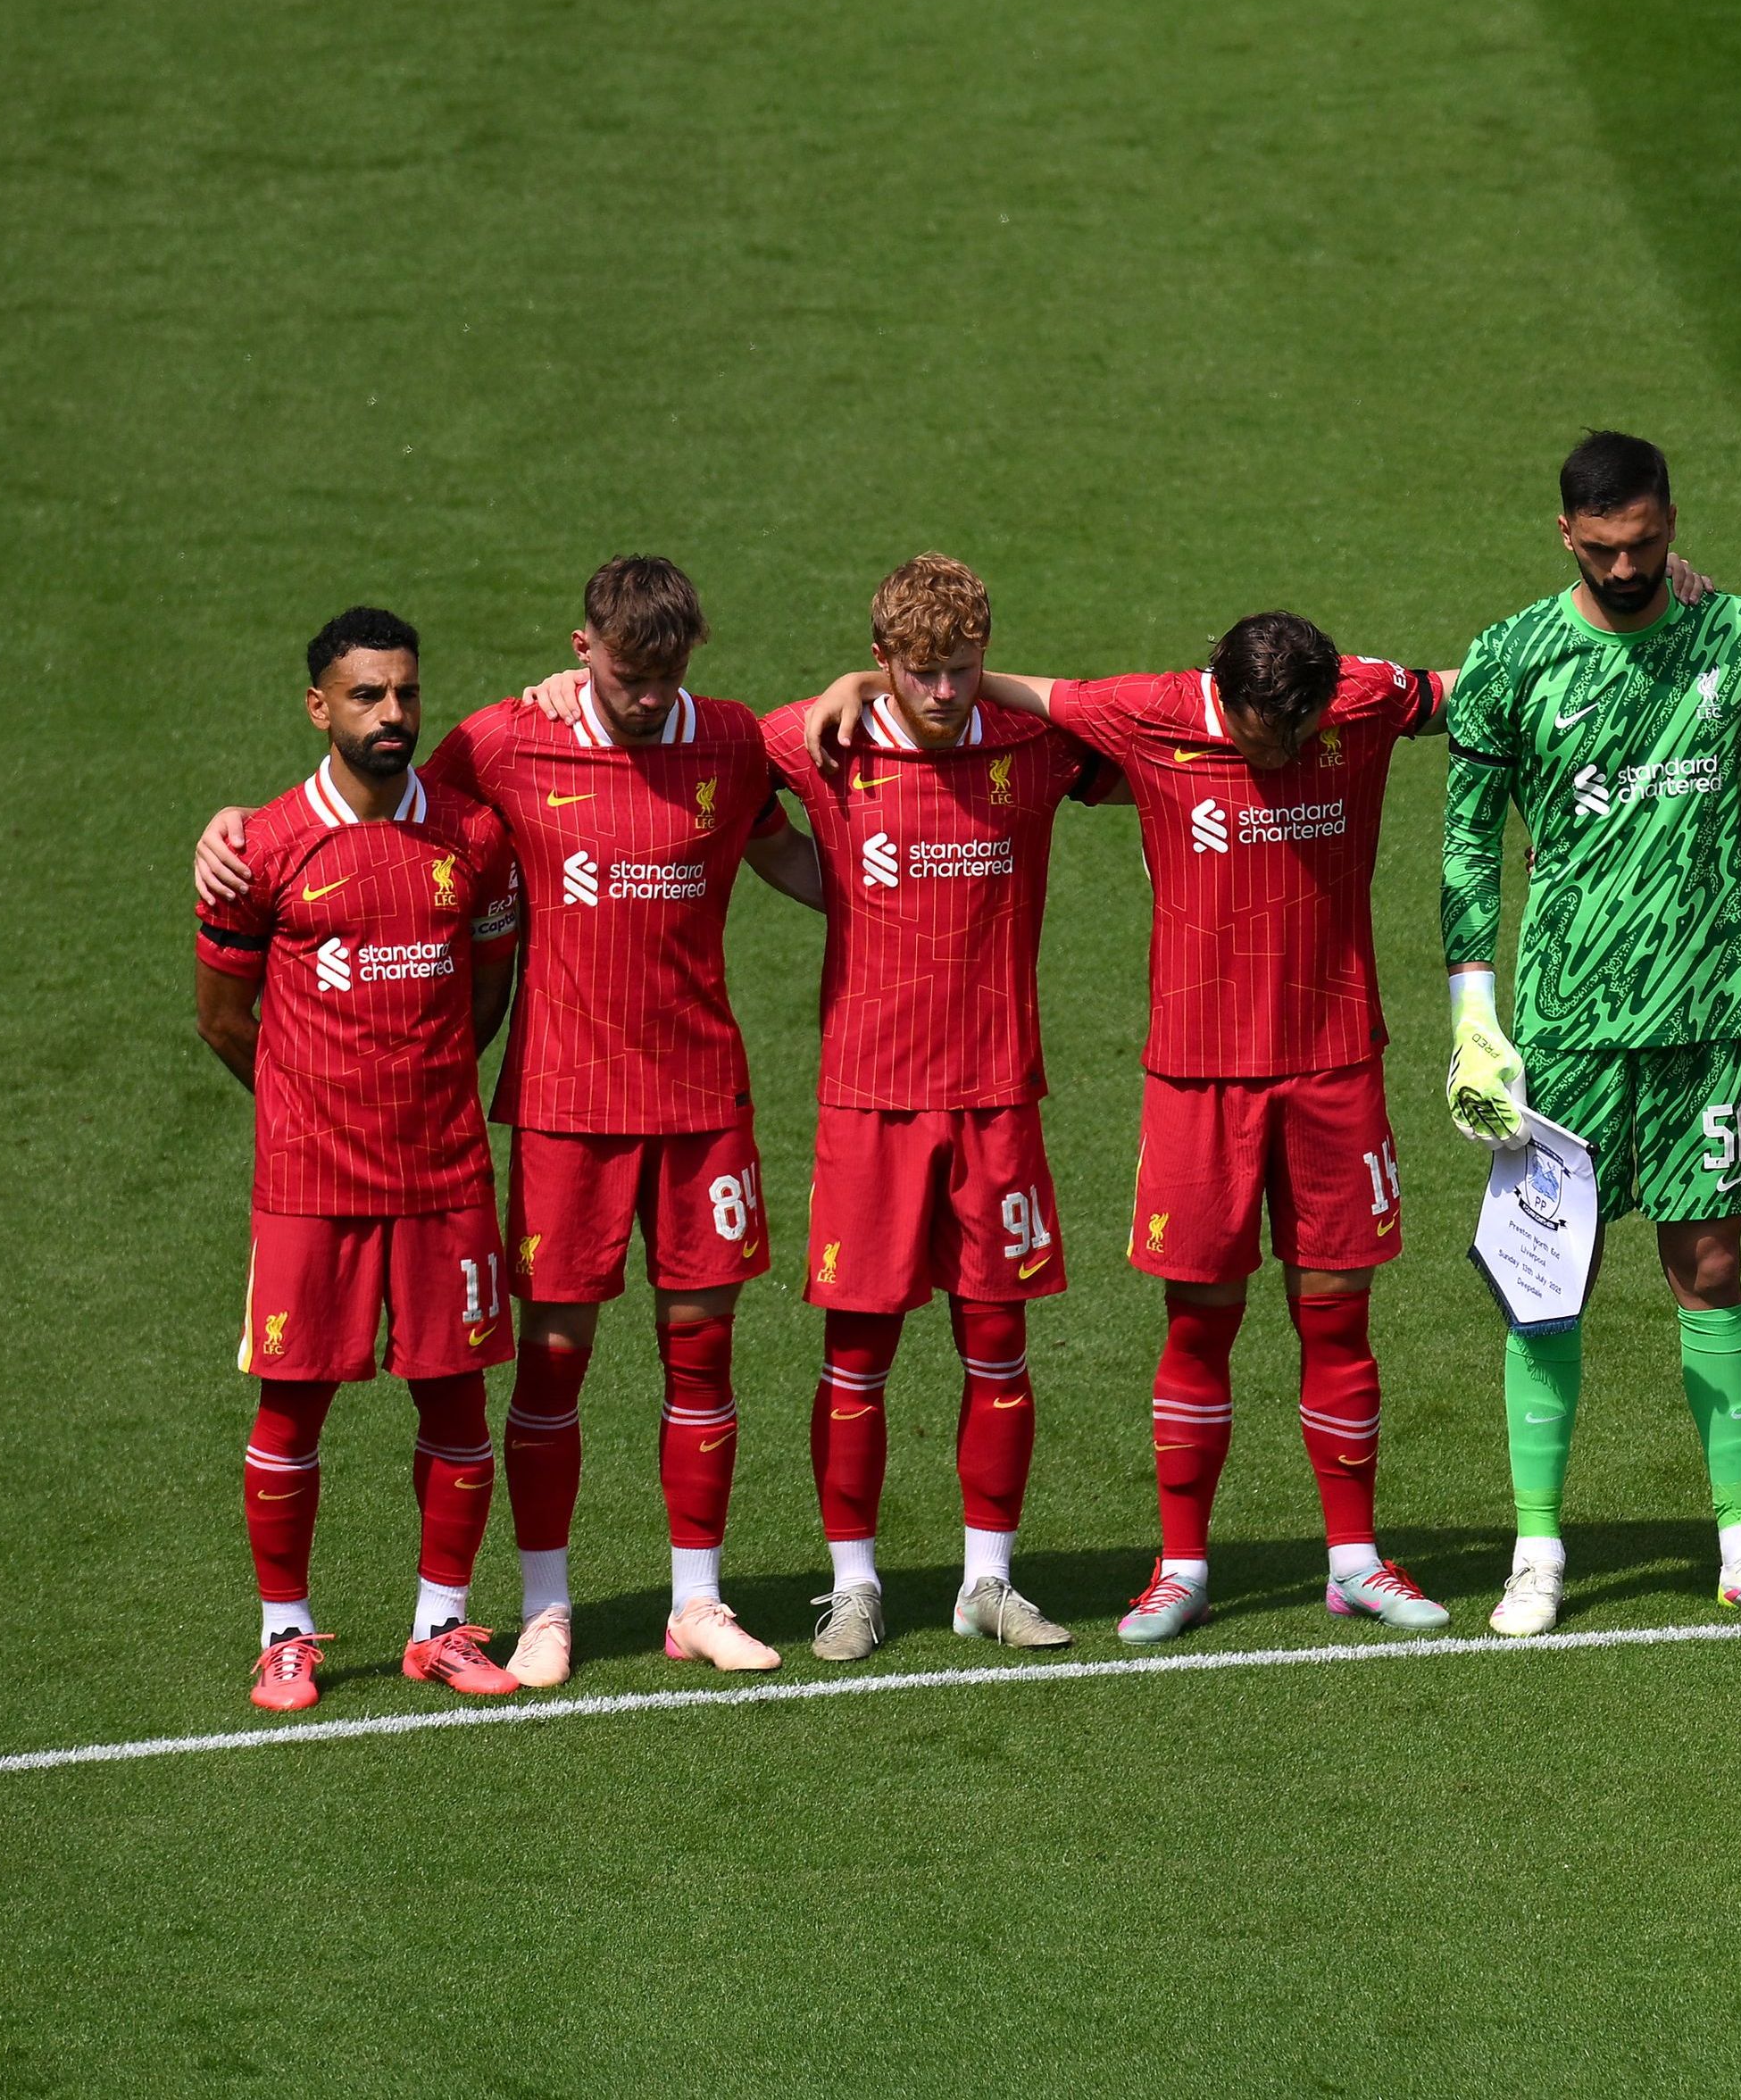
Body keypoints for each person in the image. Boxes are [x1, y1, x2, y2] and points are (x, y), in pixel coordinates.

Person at [203, 558, 820, 1683]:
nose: (647, 694)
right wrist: (233, 825)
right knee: (548, 1360)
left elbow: (791, 830)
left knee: (703, 1346)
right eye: (629, 670)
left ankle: (698, 1599)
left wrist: (903, 895)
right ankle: (544, 1605)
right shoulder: (501, 742)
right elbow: (374, 804)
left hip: (698, 1100)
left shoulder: (729, 741)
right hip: (563, 1106)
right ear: (584, 645)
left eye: (666, 672)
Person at [863, 613, 1457, 1641]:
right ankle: (1182, 1565)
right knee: (1200, 1322)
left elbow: (1473, 678)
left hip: (1336, 1063)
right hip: (1199, 1077)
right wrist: (856, 684)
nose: (1293, 748)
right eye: (1273, 731)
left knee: (1337, 1316)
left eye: (1307, 725)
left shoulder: (1356, 700)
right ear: (1223, 695)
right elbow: (1012, 688)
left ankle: (1355, 1560)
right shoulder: (1146, 713)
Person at [1437, 431, 1741, 1638]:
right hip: (1562, 1029)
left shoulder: (1739, 633)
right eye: (1602, 549)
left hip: (1702, 1015)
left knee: (1711, 1270)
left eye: (1646, 545)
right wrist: (1471, 1014)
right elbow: (1465, 840)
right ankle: (1538, 1552)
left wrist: (1705, 848)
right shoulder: (1511, 657)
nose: (1625, 567)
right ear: (1565, 535)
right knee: (1549, 1283)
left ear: (1671, 523)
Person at [766, 554, 1111, 1659]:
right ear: (884, 664)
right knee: (857, 1352)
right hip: (869, 1099)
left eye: (963, 668)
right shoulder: (827, 745)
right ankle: (854, 1583)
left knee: (998, 1345)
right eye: (921, 672)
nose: (948, 692)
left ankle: (987, 1582)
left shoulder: (1028, 745)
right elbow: (687, 737)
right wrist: (842, 695)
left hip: (998, 1095)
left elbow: (1135, 729)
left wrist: (968, 686)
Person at [192, 608, 528, 1709]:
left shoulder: (474, 837)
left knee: (457, 1399)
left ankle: (442, 1624)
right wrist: (309, 1105)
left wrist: (419, 1094)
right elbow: (224, 1018)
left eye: (406, 694)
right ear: (319, 706)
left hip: (442, 1172)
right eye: (367, 696)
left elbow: (486, 995)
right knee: (293, 1405)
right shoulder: (261, 847)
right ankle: (284, 1632)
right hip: (312, 1180)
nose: (394, 715)